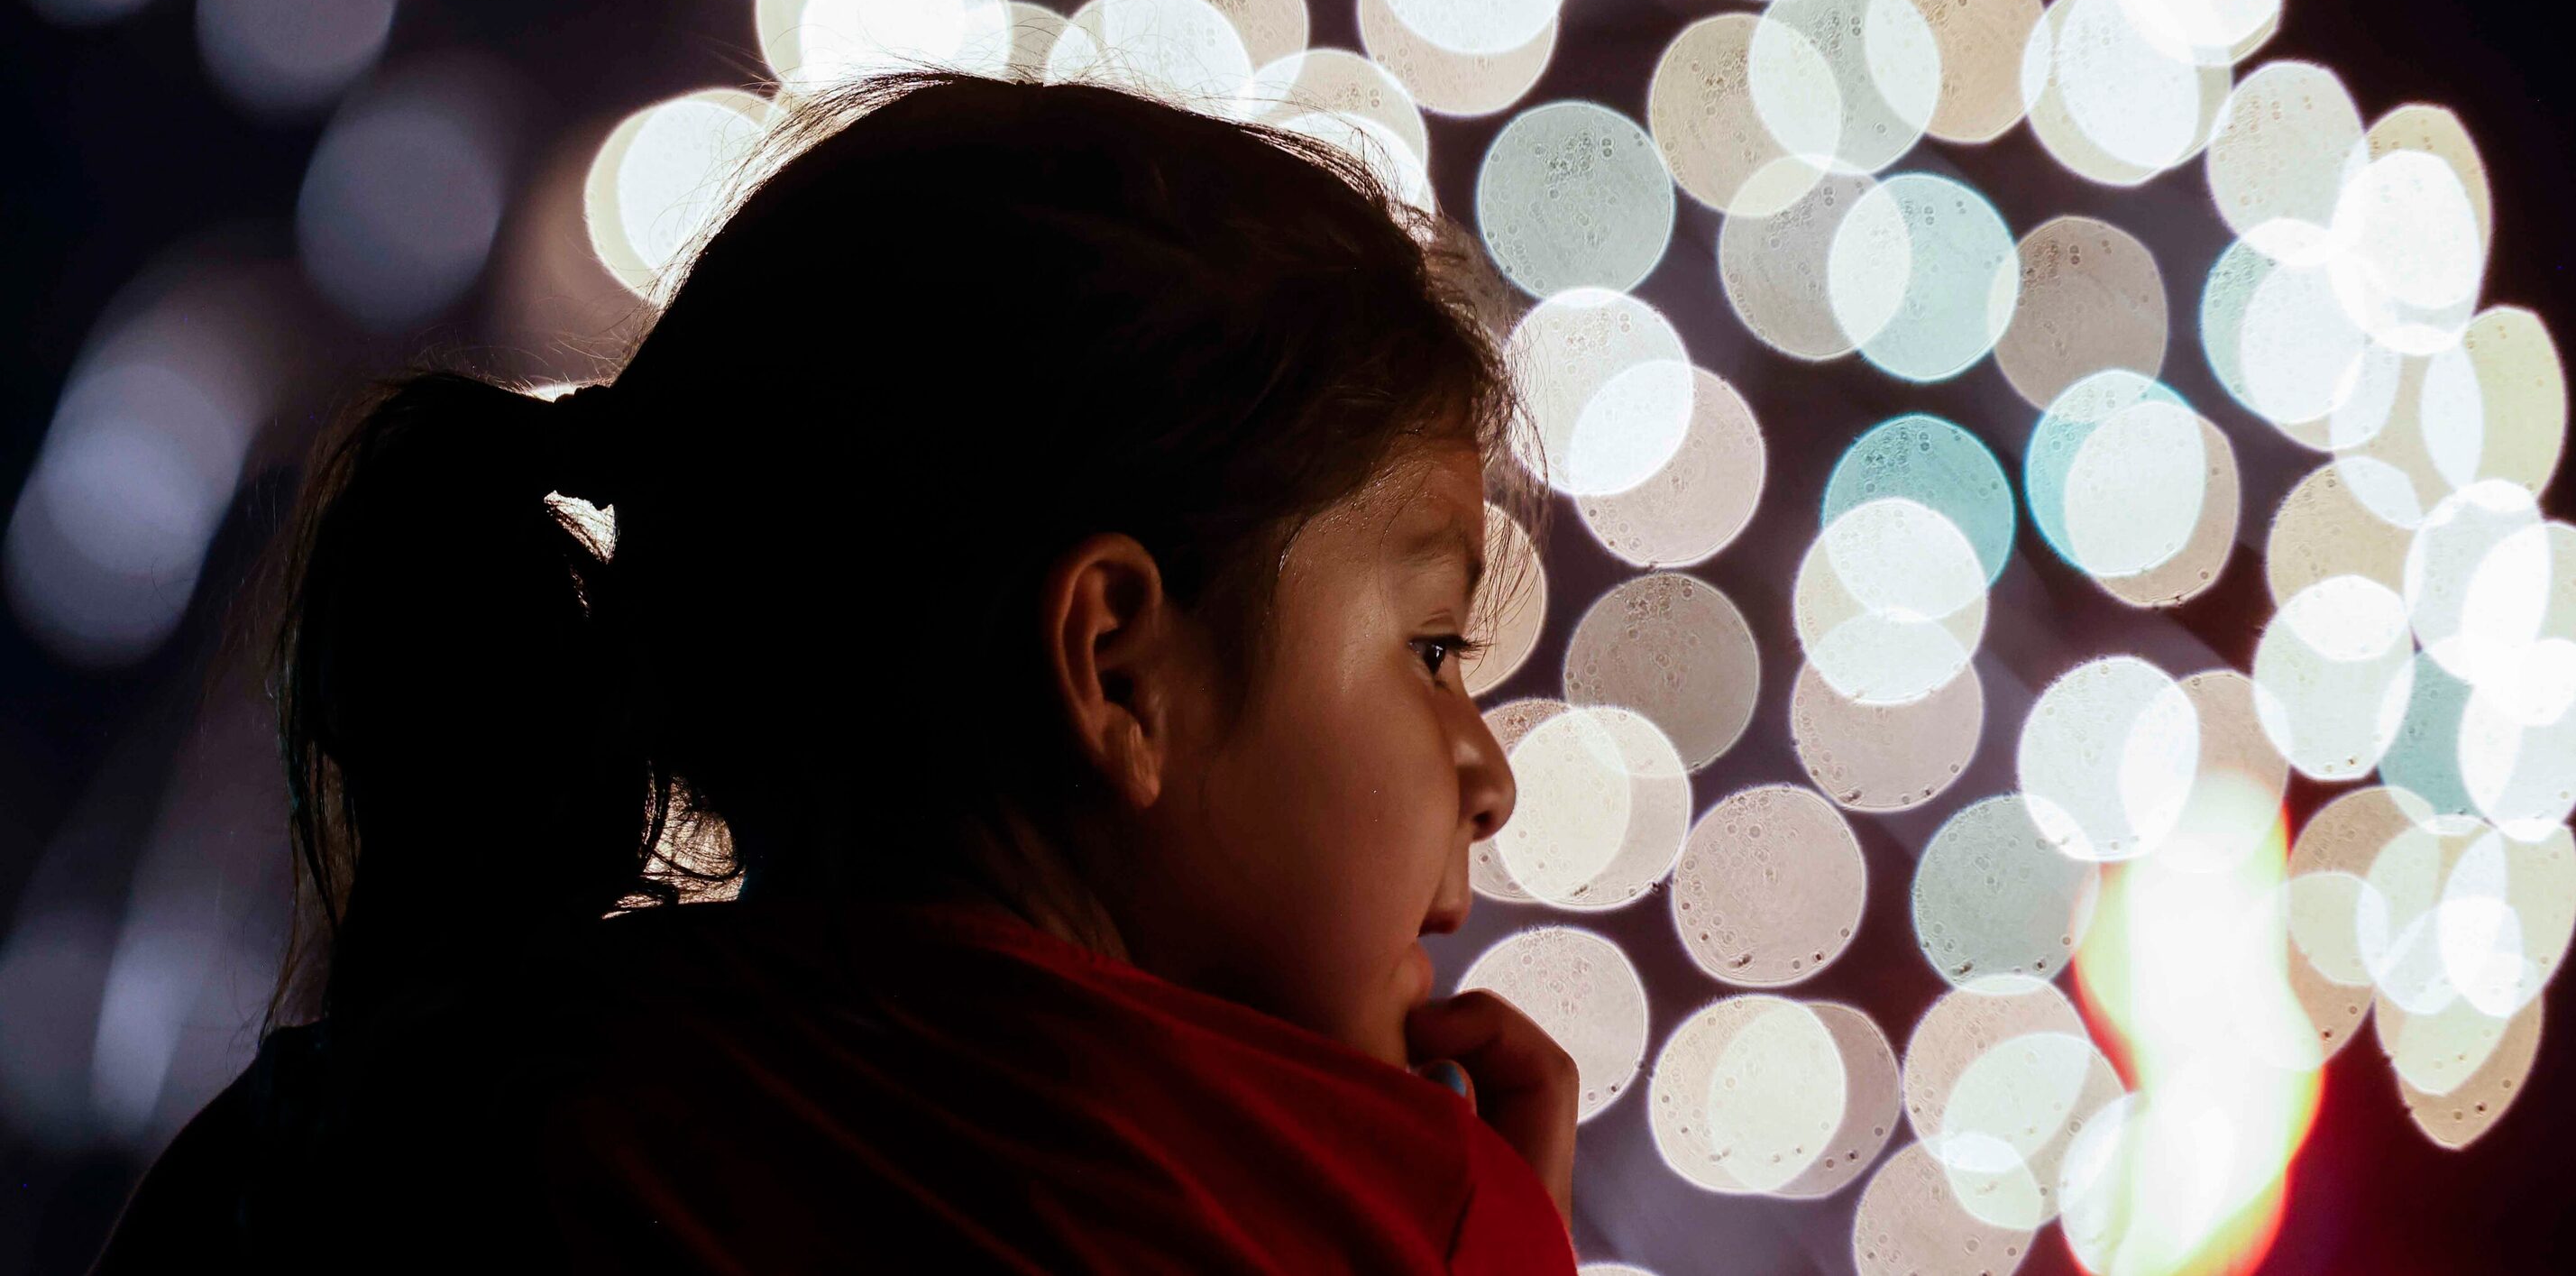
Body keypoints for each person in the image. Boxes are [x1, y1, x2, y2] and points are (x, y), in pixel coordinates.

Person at [91, 70, 1583, 1272]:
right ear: (1115, 665)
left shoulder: (311, 1150)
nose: (1488, 771)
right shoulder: (1379, 1216)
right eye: (1431, 651)